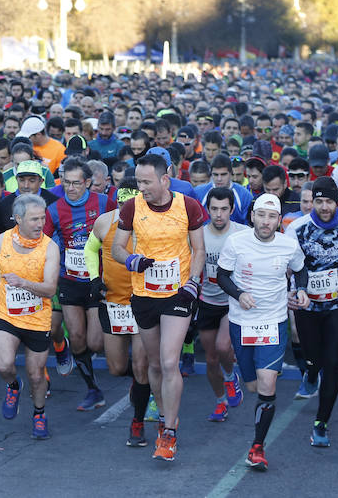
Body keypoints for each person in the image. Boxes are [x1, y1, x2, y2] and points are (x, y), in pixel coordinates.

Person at [111, 154, 207, 462]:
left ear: (165, 179)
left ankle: (169, 432)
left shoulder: (188, 206)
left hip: (177, 294)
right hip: (144, 294)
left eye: (147, 182)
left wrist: (193, 281)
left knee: (169, 362)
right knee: (153, 364)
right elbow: (116, 247)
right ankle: (166, 413)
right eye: (138, 181)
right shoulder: (132, 207)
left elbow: (200, 249)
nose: (142, 188)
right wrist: (130, 259)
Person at [216, 193, 310, 471]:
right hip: (242, 322)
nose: (266, 221)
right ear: (252, 216)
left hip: (274, 321)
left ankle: (257, 447)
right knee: (254, 386)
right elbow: (221, 275)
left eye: (272, 217)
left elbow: (300, 270)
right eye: (261, 215)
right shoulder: (236, 242)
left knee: (267, 384)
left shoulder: (288, 245)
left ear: (279, 220)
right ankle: (240, 380)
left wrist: (301, 289)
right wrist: (239, 293)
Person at [285, 177, 338, 447]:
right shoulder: (296, 229)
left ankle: (321, 423)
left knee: (333, 362)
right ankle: (310, 370)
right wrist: (290, 293)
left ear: (337, 201)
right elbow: (287, 267)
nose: (323, 206)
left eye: (329, 201)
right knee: (313, 355)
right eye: (318, 201)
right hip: (307, 304)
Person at [0, 194, 60, 440]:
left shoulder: (50, 248)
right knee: (3, 365)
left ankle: (39, 413)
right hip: (7, 314)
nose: (39, 224)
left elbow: (50, 289)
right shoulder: (1, 242)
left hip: (37, 318)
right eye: (34, 219)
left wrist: (22, 282)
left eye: (42, 218)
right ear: (18, 219)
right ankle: (13, 385)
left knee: (36, 375)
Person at [43, 156, 115, 411]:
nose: (70, 188)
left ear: (87, 183)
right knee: (76, 337)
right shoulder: (54, 209)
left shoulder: (104, 203)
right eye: (66, 183)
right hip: (70, 279)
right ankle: (93, 389)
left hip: (97, 281)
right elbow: (45, 243)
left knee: (95, 342)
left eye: (76, 183)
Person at [84, 179, 152, 446]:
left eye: (131, 204)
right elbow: (90, 249)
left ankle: (137, 421)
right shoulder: (105, 222)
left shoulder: (151, 224)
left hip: (143, 302)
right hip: (113, 303)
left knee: (141, 366)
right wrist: (93, 278)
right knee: (116, 367)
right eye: (122, 203)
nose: (126, 209)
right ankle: (147, 382)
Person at [198, 187, 246, 422]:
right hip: (206, 300)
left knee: (223, 346)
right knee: (210, 359)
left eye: (224, 209)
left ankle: (230, 377)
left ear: (232, 210)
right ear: (207, 210)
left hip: (232, 300)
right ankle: (220, 402)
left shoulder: (242, 234)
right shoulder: (198, 235)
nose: (219, 214)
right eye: (214, 209)